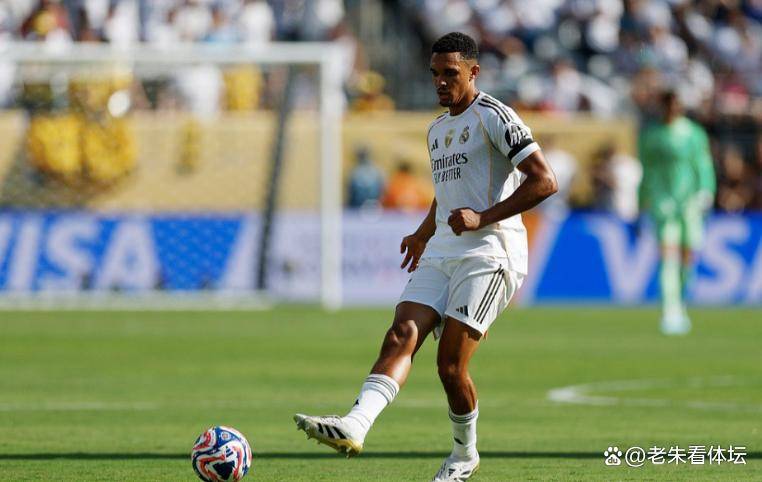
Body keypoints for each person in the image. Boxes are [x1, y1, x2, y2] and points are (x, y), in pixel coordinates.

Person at [295, 32, 557, 481]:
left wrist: (483, 217)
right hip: (443, 248)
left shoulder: (495, 116)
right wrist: (422, 233)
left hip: (491, 253)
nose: (440, 82)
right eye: (435, 74)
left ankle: (464, 455)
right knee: (401, 333)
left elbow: (544, 181)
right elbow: (448, 191)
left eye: (450, 73)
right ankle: (355, 424)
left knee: (450, 366)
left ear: (473, 72)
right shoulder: (436, 129)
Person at [638, 90, 715, 335]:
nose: (672, 109)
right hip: (663, 203)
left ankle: (681, 302)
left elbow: (703, 164)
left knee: (688, 257)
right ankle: (669, 310)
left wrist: (706, 190)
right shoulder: (652, 135)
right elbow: (646, 169)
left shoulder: (693, 133)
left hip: (690, 203)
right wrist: (642, 201)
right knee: (667, 257)